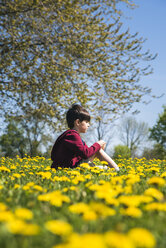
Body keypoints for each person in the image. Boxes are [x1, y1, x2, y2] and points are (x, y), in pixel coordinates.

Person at [51, 104, 119, 171]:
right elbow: (86, 154)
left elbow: (87, 152)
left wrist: (97, 146)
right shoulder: (72, 135)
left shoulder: (71, 135)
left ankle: (112, 169)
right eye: (86, 122)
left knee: (104, 167)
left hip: (70, 166)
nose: (88, 125)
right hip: (68, 168)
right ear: (77, 122)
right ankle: (116, 169)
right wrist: (98, 144)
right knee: (98, 150)